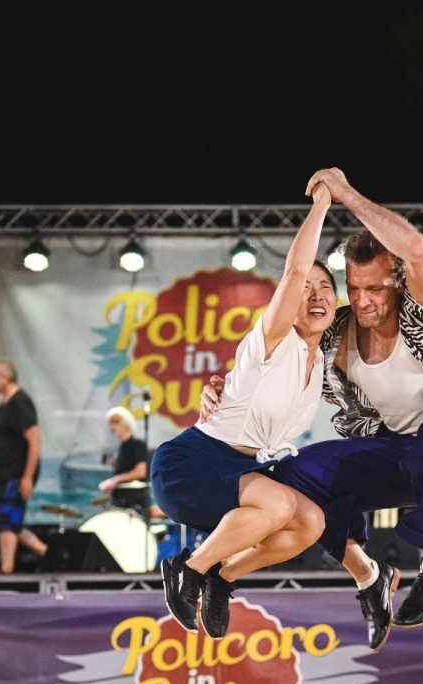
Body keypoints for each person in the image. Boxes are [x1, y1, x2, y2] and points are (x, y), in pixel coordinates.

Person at [202, 166, 423, 651]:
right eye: (354, 288)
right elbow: (268, 354)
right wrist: (220, 387)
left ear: (398, 283)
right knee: (298, 472)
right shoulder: (338, 337)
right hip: (399, 455)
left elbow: (415, 248)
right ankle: (367, 575)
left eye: (374, 289)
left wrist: (344, 194)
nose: (362, 301)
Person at [150, 181, 337, 640]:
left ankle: (222, 576)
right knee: (278, 504)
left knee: (310, 523)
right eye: (306, 289)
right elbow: (295, 270)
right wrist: (323, 204)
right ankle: (188, 569)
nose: (315, 295)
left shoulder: (320, 364)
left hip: (240, 472)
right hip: (191, 465)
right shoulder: (273, 339)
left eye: (326, 288)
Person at [0, 358, 48, 573]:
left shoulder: (19, 402)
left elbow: (35, 440)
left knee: (7, 523)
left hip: (15, 472)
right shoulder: (5, 403)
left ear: (5, 376)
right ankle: (49, 554)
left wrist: (27, 477)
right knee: (9, 523)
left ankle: (6, 572)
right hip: (3, 472)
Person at [98, 406, 149, 510]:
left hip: (134, 503)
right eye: (110, 422)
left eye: (116, 421)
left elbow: (141, 472)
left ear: (127, 422)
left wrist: (115, 480)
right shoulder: (121, 447)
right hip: (119, 501)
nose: (112, 425)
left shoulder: (137, 443)